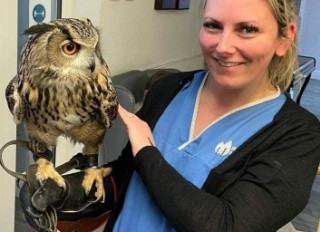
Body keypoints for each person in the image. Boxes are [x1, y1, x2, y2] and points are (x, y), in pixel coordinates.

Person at [19, 0, 320, 231]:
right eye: (213, 25)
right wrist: (69, 195)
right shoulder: (169, 89)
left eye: (247, 29)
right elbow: (126, 176)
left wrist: (148, 153)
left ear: (284, 38)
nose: (224, 46)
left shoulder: (297, 135)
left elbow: (226, 225)